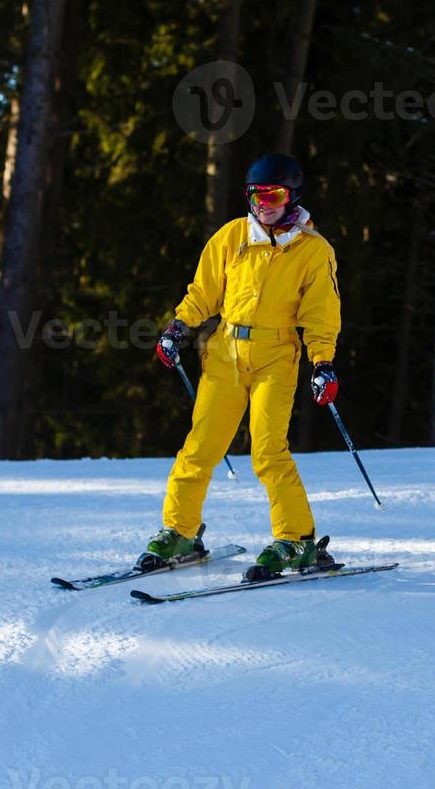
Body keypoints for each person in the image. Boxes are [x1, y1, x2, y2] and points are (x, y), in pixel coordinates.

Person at [142, 154, 342, 580]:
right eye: (255, 194)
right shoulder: (233, 236)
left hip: (276, 356)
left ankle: (296, 540)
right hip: (225, 354)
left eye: (273, 195)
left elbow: (321, 315)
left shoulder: (313, 251)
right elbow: (204, 291)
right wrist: (179, 325)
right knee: (200, 448)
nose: (263, 203)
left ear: (292, 197)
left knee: (268, 451)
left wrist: (322, 363)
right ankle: (180, 531)